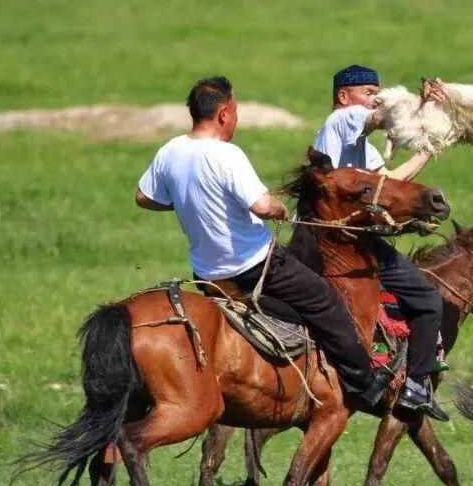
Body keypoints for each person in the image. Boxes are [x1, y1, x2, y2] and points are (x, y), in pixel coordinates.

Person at [136, 76, 390, 409]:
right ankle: (364, 385)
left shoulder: (171, 150)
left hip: (207, 273)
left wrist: (187, 199)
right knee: (325, 300)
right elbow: (262, 206)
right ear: (225, 113)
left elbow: (143, 197)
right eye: (236, 110)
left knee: (288, 307)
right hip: (255, 265)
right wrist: (280, 208)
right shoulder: (227, 155)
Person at [312, 64, 449, 421]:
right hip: (342, 244)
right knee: (428, 299)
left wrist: (428, 148)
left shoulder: (361, 149)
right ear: (344, 97)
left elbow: (391, 182)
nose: (377, 97)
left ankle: (404, 378)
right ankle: (413, 382)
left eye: (378, 91)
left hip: (354, 240)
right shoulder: (341, 121)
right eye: (370, 91)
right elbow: (380, 117)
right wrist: (422, 106)